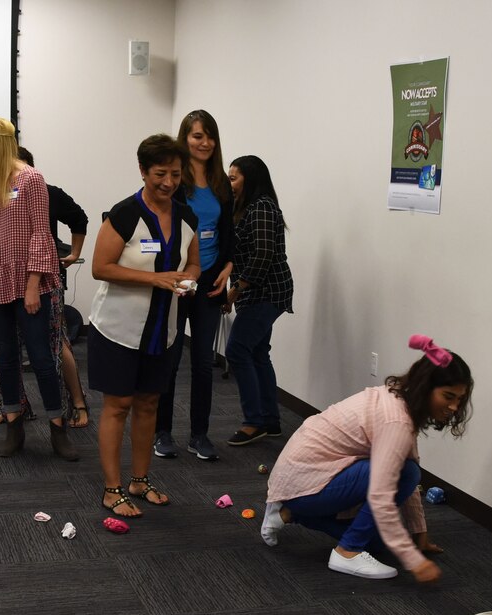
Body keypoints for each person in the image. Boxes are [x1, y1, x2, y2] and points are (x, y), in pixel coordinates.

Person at [261, 335, 472, 582]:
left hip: (300, 480)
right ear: (426, 387)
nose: (455, 407)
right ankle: (346, 553)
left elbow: (407, 464)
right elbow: (385, 491)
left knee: (377, 542)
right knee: (406, 474)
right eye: (448, 396)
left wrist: (418, 533)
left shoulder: (400, 400)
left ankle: (289, 513)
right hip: (303, 481)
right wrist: (413, 560)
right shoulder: (397, 420)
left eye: (460, 399)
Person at [89, 134, 200, 517]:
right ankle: (111, 489)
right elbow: (100, 268)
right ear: (142, 171)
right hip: (117, 328)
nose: (168, 182)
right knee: (118, 405)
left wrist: (188, 280)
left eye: (175, 173)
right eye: (159, 174)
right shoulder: (123, 214)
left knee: (149, 404)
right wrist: (156, 279)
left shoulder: (187, 216)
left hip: (162, 330)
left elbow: (193, 264)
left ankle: (139, 480)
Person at [0, 117, 78, 460]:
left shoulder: (32, 178)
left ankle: (57, 428)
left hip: (29, 281)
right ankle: (14, 424)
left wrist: (33, 284)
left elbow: (40, 234)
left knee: (43, 358)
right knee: (4, 355)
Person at [153, 110, 234, 461]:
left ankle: (199, 435)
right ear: (185, 137)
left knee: (203, 361)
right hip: (178, 278)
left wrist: (228, 266)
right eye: (197, 136)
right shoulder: (174, 182)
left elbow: (229, 230)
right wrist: (177, 273)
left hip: (211, 281)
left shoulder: (221, 183)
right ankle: (162, 432)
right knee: (169, 358)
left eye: (210, 136)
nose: (205, 143)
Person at [223, 155, 293, 445]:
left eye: (234, 178)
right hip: (257, 293)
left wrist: (235, 289)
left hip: (267, 293)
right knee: (257, 353)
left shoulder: (261, 207)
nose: (230, 184)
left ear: (249, 179)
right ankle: (270, 420)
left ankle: (254, 421)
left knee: (237, 351)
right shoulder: (246, 208)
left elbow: (262, 254)